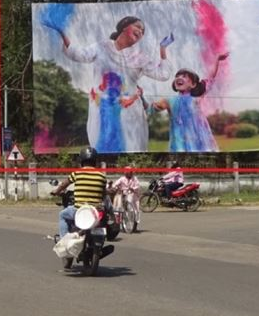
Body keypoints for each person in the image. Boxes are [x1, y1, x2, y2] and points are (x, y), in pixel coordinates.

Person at [44, 14, 172, 153]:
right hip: (102, 109)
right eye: (138, 27)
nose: (140, 31)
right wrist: (61, 31)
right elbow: (77, 54)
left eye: (143, 31)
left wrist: (163, 49)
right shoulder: (102, 47)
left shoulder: (140, 57)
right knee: (103, 147)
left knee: (130, 149)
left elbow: (163, 74)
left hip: (130, 114)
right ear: (124, 27)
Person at [153, 53, 228, 152]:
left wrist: (217, 60)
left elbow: (210, 77)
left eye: (184, 76)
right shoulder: (171, 101)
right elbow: (153, 107)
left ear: (193, 84)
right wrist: (145, 101)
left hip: (200, 141)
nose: (179, 78)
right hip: (180, 142)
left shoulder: (196, 98)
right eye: (177, 76)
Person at [52, 146, 108, 239]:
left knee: (62, 215)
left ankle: (64, 240)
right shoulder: (102, 176)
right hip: (95, 211)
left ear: (82, 161)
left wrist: (56, 191)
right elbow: (104, 194)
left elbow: (64, 184)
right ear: (95, 161)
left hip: (79, 210)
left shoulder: (77, 173)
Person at [110, 165, 141, 231]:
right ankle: (119, 224)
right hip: (123, 194)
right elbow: (115, 184)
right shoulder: (122, 179)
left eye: (130, 172)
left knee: (136, 211)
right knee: (118, 207)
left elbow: (138, 186)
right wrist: (116, 188)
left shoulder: (134, 179)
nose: (128, 174)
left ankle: (135, 226)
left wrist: (133, 188)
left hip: (133, 196)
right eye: (127, 172)